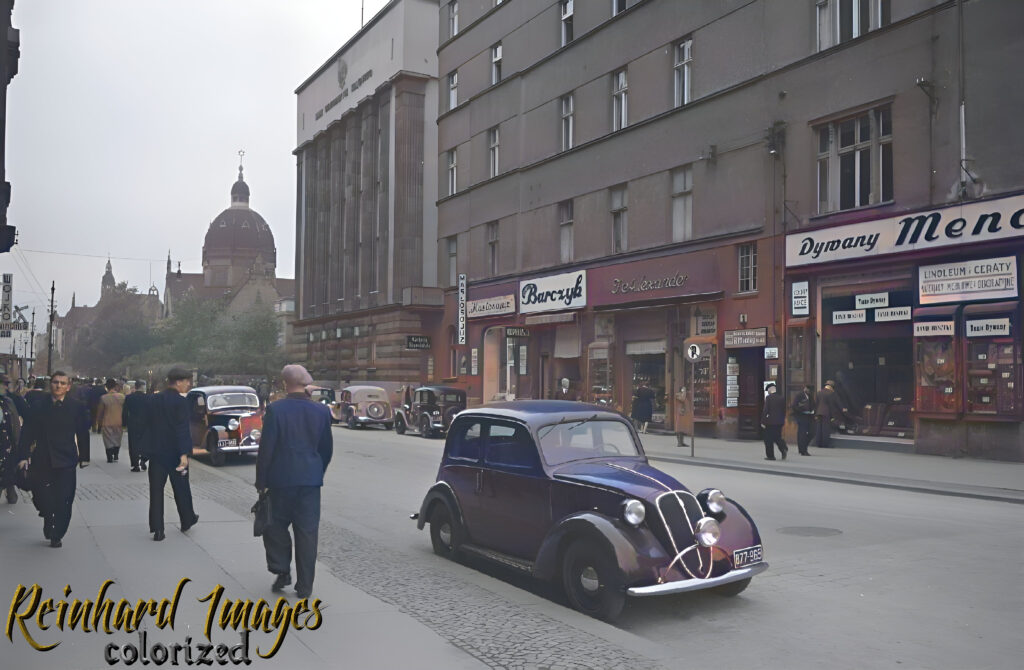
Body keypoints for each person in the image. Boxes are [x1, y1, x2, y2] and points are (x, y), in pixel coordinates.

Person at [256, 364, 333, 599]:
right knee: (308, 533)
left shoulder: (276, 410)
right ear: (306, 384)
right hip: (309, 482)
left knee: (275, 527)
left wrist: (262, 481)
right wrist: (317, 471)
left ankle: (282, 570)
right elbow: (326, 449)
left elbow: (266, 449)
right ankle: (305, 586)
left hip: (281, 480)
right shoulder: (321, 411)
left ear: (284, 384)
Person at [13, 371, 91, 547]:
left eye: (63, 383)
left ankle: (57, 534)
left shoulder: (76, 406)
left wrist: (84, 457)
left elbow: (82, 432)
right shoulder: (39, 406)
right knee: (41, 496)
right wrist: (23, 456)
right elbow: (28, 432)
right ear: (51, 385)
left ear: (68, 387)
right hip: (43, 458)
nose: (59, 386)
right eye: (56, 382)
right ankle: (48, 516)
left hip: (66, 459)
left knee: (65, 499)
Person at [148, 367, 199, 541]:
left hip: (156, 453)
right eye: (187, 381)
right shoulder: (180, 402)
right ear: (178, 382)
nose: (188, 385)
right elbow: (182, 429)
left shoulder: (154, 399)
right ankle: (187, 519)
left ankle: (158, 529)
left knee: (156, 491)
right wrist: (184, 453)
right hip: (175, 454)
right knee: (181, 488)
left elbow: (147, 426)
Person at [0, 375, 24, 504]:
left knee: (8, 470)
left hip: (7, 443)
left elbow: (15, 422)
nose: (6, 387)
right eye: (3, 384)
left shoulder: (8, 401)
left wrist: (17, 442)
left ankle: (10, 491)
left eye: (6, 384)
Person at [123, 381, 150, 472]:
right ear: (142, 387)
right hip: (146, 423)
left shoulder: (129, 398)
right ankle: (144, 458)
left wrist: (124, 423)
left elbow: (125, 412)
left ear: (136, 387)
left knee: (133, 444)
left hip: (133, 423)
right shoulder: (148, 398)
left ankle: (135, 465)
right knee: (145, 442)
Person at [96, 379, 126, 463]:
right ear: (115, 386)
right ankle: (116, 454)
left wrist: (99, 422)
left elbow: (100, 412)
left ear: (106, 387)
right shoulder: (122, 397)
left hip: (107, 421)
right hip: (119, 421)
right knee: (117, 438)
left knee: (108, 440)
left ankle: (109, 457)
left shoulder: (104, 398)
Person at [760, 383, 789, 461]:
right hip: (779, 421)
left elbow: (766, 410)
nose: (767, 392)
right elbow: (784, 410)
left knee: (768, 439)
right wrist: (782, 419)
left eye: (768, 390)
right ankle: (783, 448)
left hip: (770, 422)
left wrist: (763, 421)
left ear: (770, 389)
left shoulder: (769, 398)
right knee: (777, 437)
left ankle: (771, 456)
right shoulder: (781, 398)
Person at [814, 380, 846, 448]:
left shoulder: (819, 392)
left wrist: (816, 413)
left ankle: (818, 443)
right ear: (831, 386)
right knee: (825, 429)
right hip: (826, 413)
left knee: (819, 429)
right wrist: (842, 408)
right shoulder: (831, 393)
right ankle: (825, 444)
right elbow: (835, 403)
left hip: (819, 413)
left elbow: (816, 403)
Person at [791, 385, 814, 455]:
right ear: (805, 388)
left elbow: (813, 404)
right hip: (801, 416)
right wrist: (802, 409)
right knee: (802, 434)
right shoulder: (799, 395)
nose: (808, 391)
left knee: (812, 432)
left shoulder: (810, 396)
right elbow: (794, 406)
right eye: (807, 389)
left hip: (809, 416)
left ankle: (802, 447)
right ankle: (803, 450)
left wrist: (813, 410)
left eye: (810, 391)